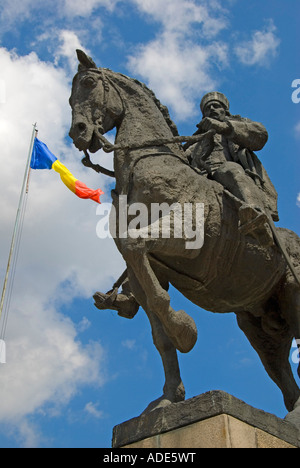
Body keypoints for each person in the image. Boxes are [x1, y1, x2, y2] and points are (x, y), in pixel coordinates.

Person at [184, 92, 278, 239]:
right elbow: (184, 157)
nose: (212, 109)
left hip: (226, 173)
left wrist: (224, 127)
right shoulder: (196, 141)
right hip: (202, 177)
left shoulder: (237, 125)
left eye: (216, 106)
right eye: (208, 108)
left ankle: (255, 214)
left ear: (225, 110)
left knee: (230, 169)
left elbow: (260, 135)